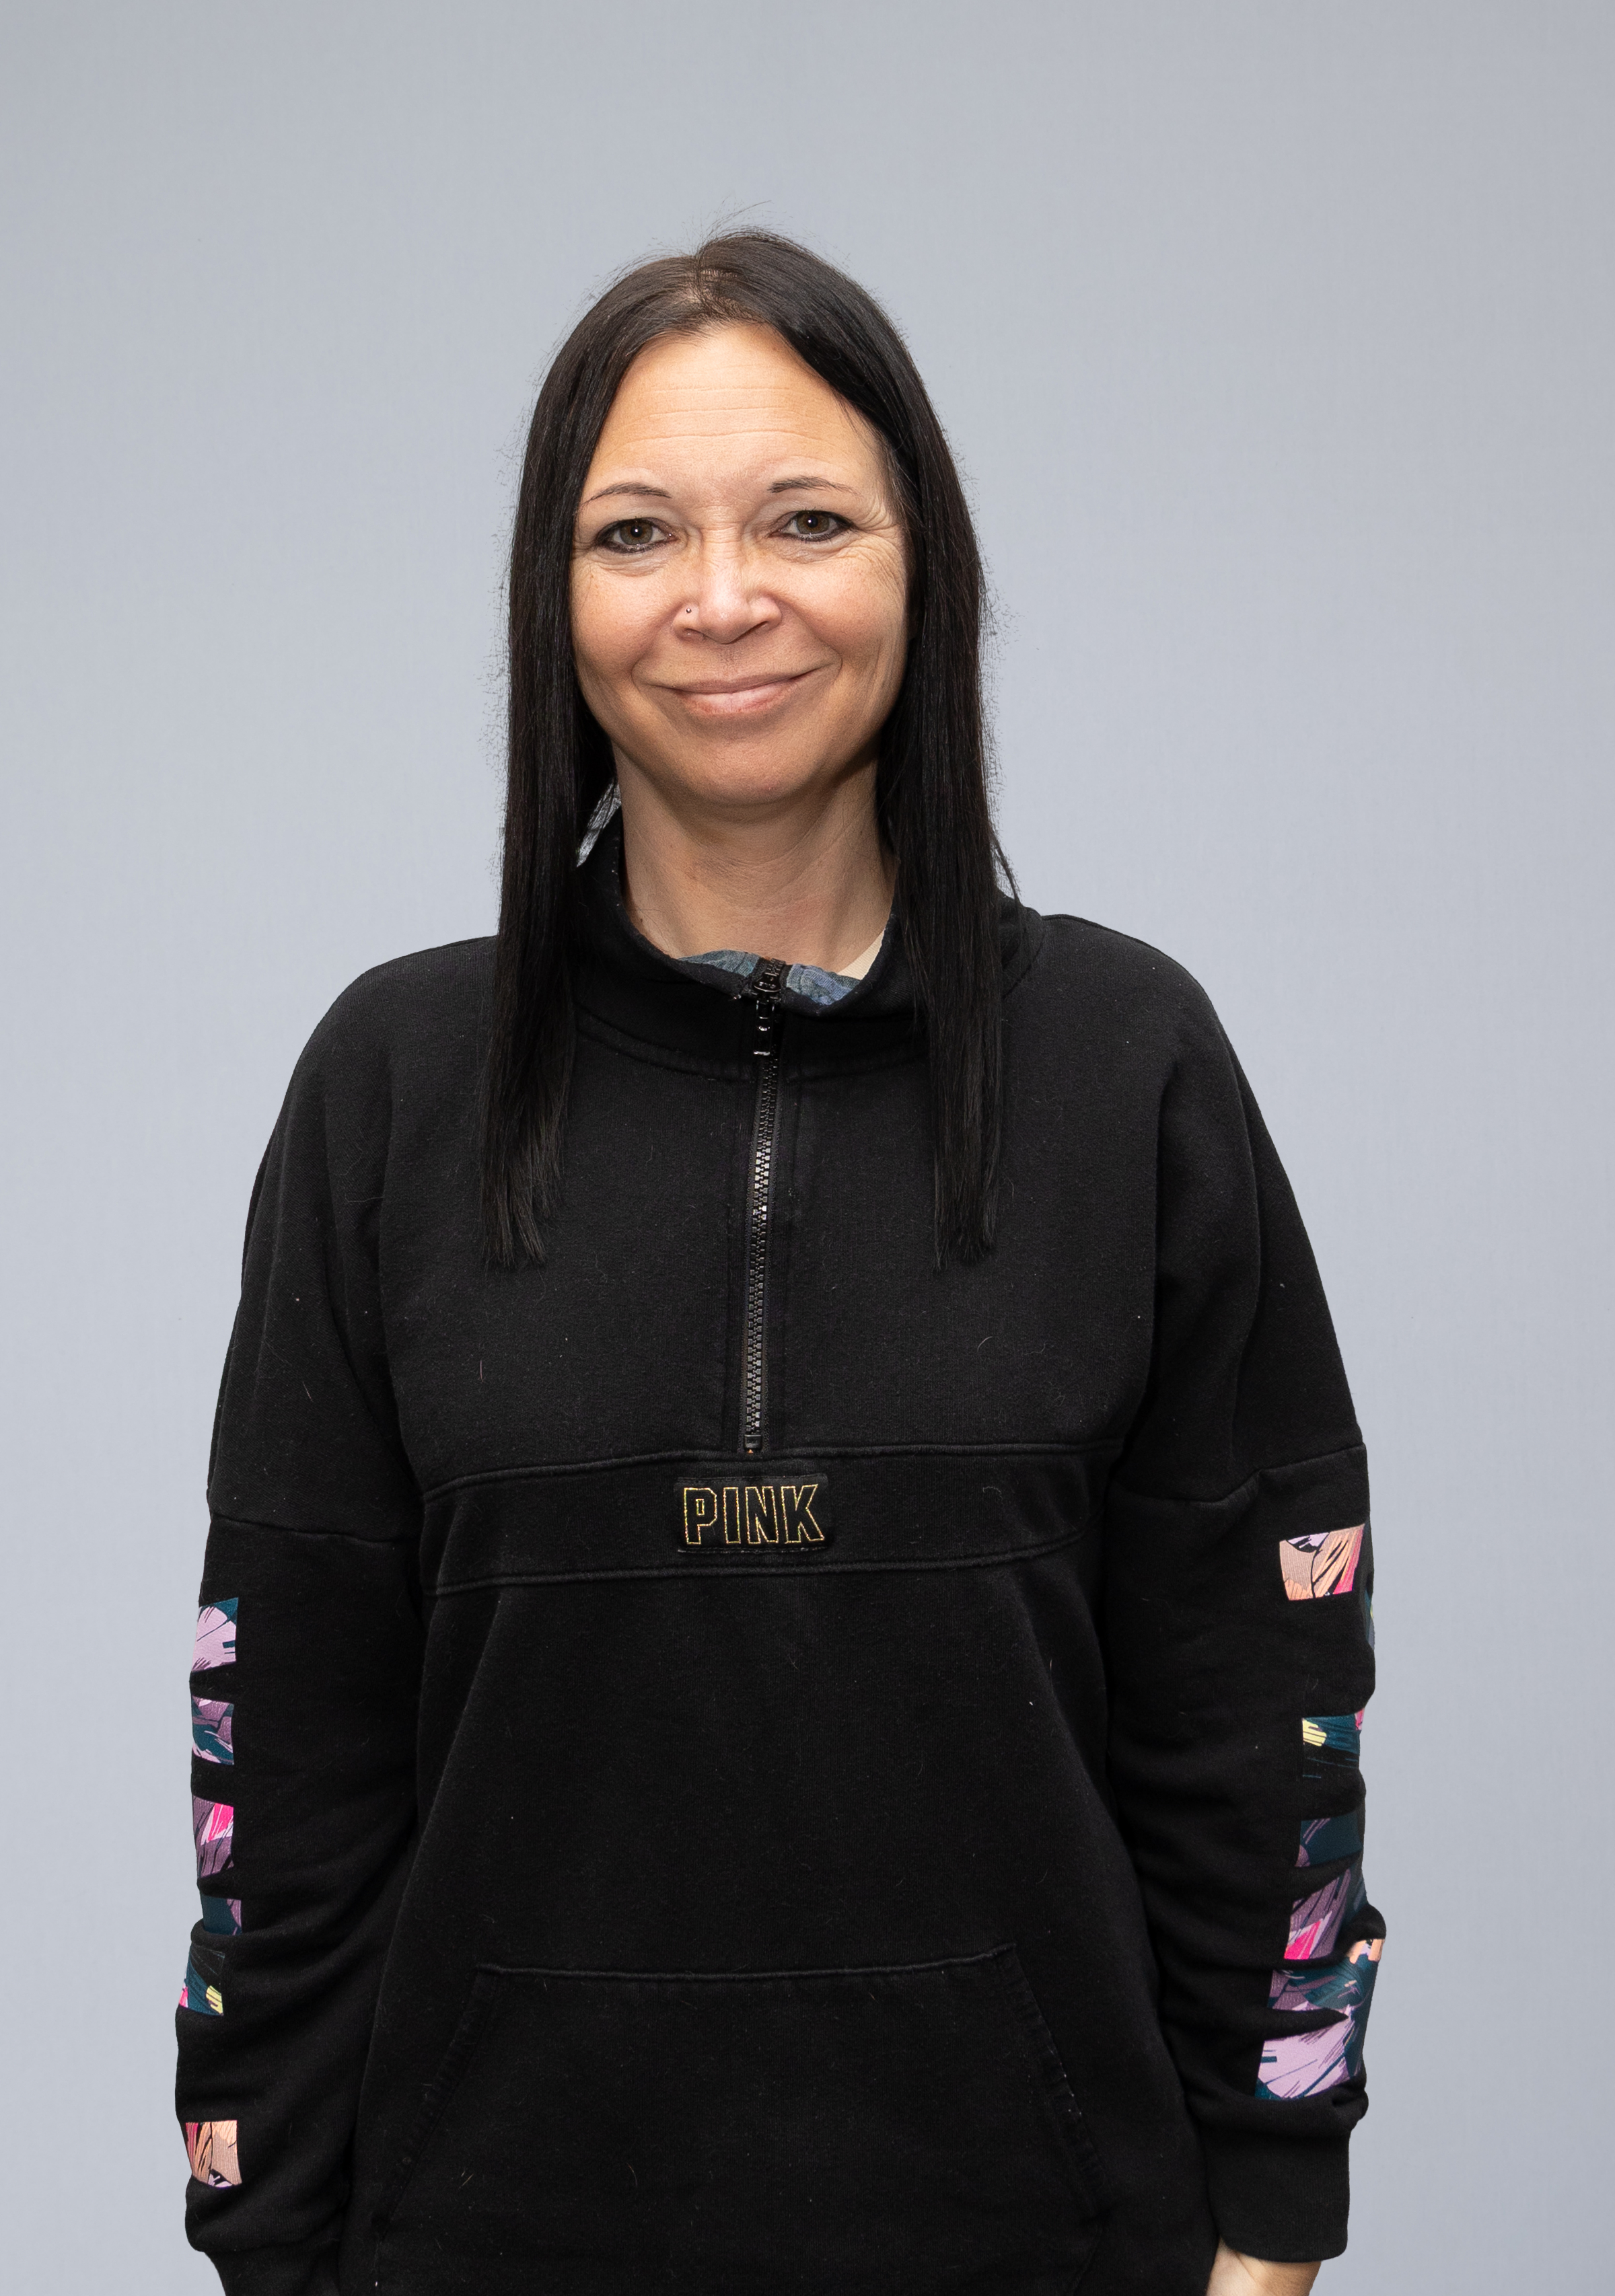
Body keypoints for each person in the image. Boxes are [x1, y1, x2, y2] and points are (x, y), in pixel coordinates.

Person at [176, 232, 1379, 2296]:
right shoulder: (393, 1084)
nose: (724, 598)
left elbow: (1261, 1700)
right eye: (637, 532)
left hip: (1057, 2249)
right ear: (555, 601)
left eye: (807, 520)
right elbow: (278, 1739)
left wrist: (1273, 2222)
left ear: (926, 567)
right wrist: (263, 2235)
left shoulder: (1129, 1064)